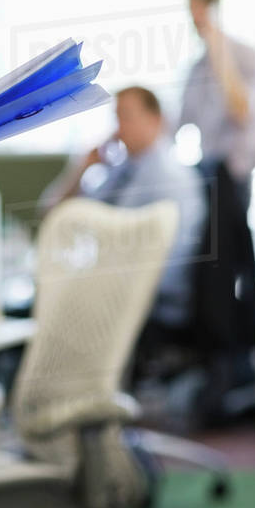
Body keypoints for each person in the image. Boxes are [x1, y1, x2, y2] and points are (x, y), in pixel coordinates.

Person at [44, 86, 206, 331]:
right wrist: (82, 168)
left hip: (149, 306)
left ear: (156, 120)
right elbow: (54, 215)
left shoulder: (172, 178)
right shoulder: (121, 170)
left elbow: (166, 268)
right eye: (116, 118)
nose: (118, 129)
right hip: (109, 291)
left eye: (126, 117)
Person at [178, 0, 255, 213]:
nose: (194, 19)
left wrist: (217, 44)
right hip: (207, 169)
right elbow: (179, 120)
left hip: (235, 173)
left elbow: (241, 110)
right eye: (191, 10)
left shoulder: (245, 55)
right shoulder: (196, 68)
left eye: (198, 9)